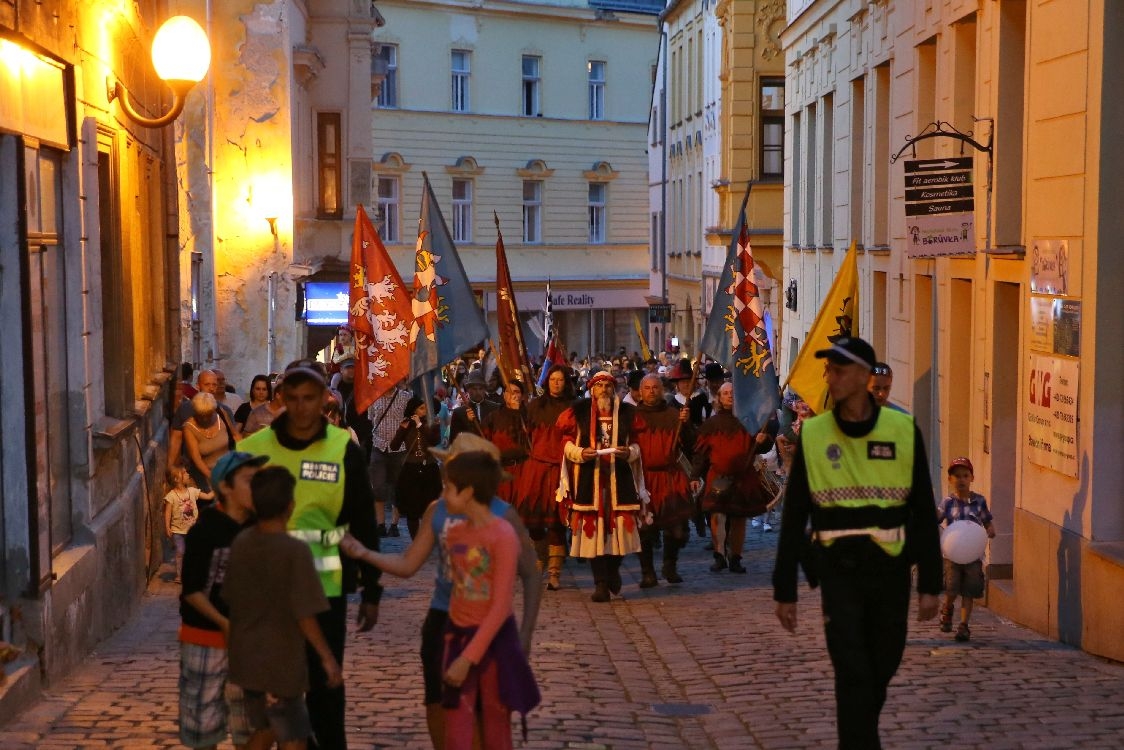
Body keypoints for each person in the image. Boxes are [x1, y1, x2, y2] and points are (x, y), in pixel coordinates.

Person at [772, 336, 942, 750]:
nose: (830, 376)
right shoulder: (813, 433)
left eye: (839, 368)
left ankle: (860, 737)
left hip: (890, 569)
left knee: (882, 665)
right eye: (829, 368)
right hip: (837, 570)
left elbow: (922, 505)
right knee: (852, 671)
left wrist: (931, 583)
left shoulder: (901, 430)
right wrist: (785, 590)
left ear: (865, 377)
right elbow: (794, 515)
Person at [339, 432, 541, 750]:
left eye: (450, 470)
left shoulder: (504, 520)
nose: (443, 475)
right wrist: (363, 554)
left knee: (486, 712)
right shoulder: (439, 511)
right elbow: (408, 564)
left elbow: (530, 576)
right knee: (440, 702)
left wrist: (525, 634)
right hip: (443, 620)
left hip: (487, 627)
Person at [237, 360, 383, 750]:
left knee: (325, 688)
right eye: (294, 399)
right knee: (269, 697)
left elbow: (363, 519)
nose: (302, 407)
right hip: (265, 594)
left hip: (324, 587)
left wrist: (372, 590)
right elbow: (229, 521)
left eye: (310, 398)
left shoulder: (343, 450)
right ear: (280, 400)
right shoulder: (251, 450)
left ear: (324, 400)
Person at [223, 467, 343, 750]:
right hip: (281, 661)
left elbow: (231, 598)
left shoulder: (241, 543)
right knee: (291, 735)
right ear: (290, 506)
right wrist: (326, 656)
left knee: (268, 727)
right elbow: (304, 611)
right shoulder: (294, 551)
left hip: (247, 658)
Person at [439, 451, 540, 749]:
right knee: (456, 728)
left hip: (494, 643)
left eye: (448, 486)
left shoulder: (503, 533)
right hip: (457, 636)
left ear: (468, 491)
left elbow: (501, 605)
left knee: (496, 724)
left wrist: (467, 658)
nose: (443, 492)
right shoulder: (455, 534)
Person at [177, 451, 267, 750]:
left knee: (249, 727)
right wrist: (224, 623)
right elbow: (191, 591)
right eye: (249, 481)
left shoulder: (260, 528)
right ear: (226, 487)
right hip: (204, 638)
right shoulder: (205, 530)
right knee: (203, 728)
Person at [556, 370, 644, 602]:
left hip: (619, 480)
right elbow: (565, 444)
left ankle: (613, 569)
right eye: (599, 386)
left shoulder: (627, 413)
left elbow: (637, 445)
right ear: (592, 390)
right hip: (590, 479)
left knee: (620, 533)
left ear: (614, 389)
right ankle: (600, 583)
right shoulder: (579, 412)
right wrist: (580, 453)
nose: (603, 390)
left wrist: (629, 453)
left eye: (607, 386)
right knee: (594, 536)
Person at [690, 382, 774, 573]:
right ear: (719, 398)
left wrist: (763, 440)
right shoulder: (711, 424)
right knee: (717, 516)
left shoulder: (750, 420)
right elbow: (700, 454)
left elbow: (762, 446)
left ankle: (735, 557)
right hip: (718, 476)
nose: (729, 396)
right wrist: (695, 475)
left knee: (738, 518)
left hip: (743, 476)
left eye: (732, 393)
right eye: (725, 393)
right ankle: (719, 555)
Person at [516, 365, 575, 590]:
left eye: (560, 380)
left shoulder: (573, 408)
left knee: (557, 523)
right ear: (547, 382)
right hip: (537, 467)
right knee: (534, 522)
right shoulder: (534, 406)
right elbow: (525, 435)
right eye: (553, 380)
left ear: (566, 382)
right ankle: (540, 558)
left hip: (561, 469)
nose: (556, 383)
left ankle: (554, 572)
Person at [633, 374, 694, 587]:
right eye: (647, 388)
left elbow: (690, 444)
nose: (651, 391)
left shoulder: (674, 415)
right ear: (640, 392)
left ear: (662, 390)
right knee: (644, 530)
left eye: (655, 388)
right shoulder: (632, 417)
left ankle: (670, 564)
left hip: (670, 477)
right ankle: (647, 572)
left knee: (677, 529)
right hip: (644, 479)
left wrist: (685, 425)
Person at [937, 457, 996, 642]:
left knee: (969, 591)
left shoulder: (979, 501)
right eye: (956, 476)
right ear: (950, 479)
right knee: (952, 587)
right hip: (952, 554)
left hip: (973, 555)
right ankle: (947, 608)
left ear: (972, 478)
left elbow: (986, 520)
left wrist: (990, 529)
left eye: (965, 475)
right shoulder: (947, 502)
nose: (961, 479)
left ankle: (963, 626)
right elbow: (937, 519)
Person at [390, 396, 443, 539]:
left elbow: (434, 440)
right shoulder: (407, 424)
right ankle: (416, 540)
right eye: (421, 408)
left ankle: (428, 538)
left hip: (429, 468)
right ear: (414, 410)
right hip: (411, 469)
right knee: (412, 509)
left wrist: (420, 425)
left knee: (430, 507)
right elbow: (393, 446)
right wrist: (402, 429)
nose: (424, 411)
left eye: (426, 408)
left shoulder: (434, 422)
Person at [367, 380, 411, 537]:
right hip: (378, 446)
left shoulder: (406, 397)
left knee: (396, 487)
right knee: (378, 487)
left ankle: (394, 524)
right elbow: (371, 418)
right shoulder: (374, 398)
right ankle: (380, 524)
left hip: (399, 448)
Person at [170, 369, 236, 472]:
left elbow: (234, 439)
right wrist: (170, 466)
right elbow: (176, 439)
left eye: (214, 385)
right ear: (198, 386)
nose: (211, 388)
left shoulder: (224, 411)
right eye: (207, 384)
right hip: (194, 470)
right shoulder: (185, 409)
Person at [480, 378, 531, 506]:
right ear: (504, 395)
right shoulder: (493, 418)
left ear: (522, 395)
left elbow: (530, 438)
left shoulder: (529, 415)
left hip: (523, 471)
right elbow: (484, 444)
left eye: (517, 392)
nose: (513, 395)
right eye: (509, 391)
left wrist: (517, 412)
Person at [165, 466, 215, 584]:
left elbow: (208, 497)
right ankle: (180, 576)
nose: (188, 474)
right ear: (177, 479)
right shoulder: (171, 496)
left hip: (192, 530)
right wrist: (167, 527)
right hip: (178, 530)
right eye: (185, 473)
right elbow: (167, 513)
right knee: (180, 552)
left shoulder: (192, 491)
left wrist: (217, 488)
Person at [183, 393, 234, 494]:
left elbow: (235, 435)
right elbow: (196, 458)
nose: (205, 419)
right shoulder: (189, 427)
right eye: (201, 416)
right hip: (206, 474)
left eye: (208, 415)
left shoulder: (222, 415)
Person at [449, 369, 498, 442]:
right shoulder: (459, 413)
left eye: (481, 389)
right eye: (474, 389)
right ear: (468, 389)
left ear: (485, 389)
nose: (478, 392)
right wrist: (469, 422)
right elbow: (454, 441)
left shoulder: (495, 408)